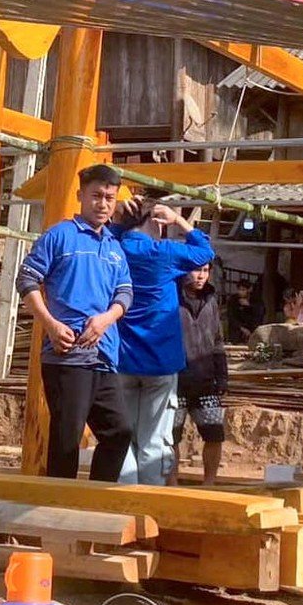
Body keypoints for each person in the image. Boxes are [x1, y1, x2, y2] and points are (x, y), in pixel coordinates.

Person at [17, 163, 135, 480]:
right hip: (66, 356)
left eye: (110, 198)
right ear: (81, 195)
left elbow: (125, 294)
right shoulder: (60, 236)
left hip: (104, 355)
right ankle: (57, 512)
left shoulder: (114, 247)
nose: (103, 204)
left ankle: (93, 502)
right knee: (67, 439)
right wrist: (50, 324)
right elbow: (26, 280)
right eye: (96, 196)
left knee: (119, 431)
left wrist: (107, 319)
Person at [108, 197, 216, 486]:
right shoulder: (164, 252)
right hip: (161, 360)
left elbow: (108, 237)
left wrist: (118, 221)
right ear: (156, 221)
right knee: (154, 441)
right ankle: (147, 509)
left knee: (123, 435)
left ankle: (124, 498)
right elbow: (205, 251)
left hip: (123, 358)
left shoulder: (116, 248)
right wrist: (179, 221)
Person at [173, 262, 230, 484]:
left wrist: (222, 375)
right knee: (171, 437)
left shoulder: (211, 300)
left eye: (205, 271)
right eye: (196, 270)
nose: (201, 276)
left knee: (215, 434)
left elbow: (218, 340)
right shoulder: (172, 298)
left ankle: (210, 483)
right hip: (176, 379)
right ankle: (172, 483)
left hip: (206, 380)